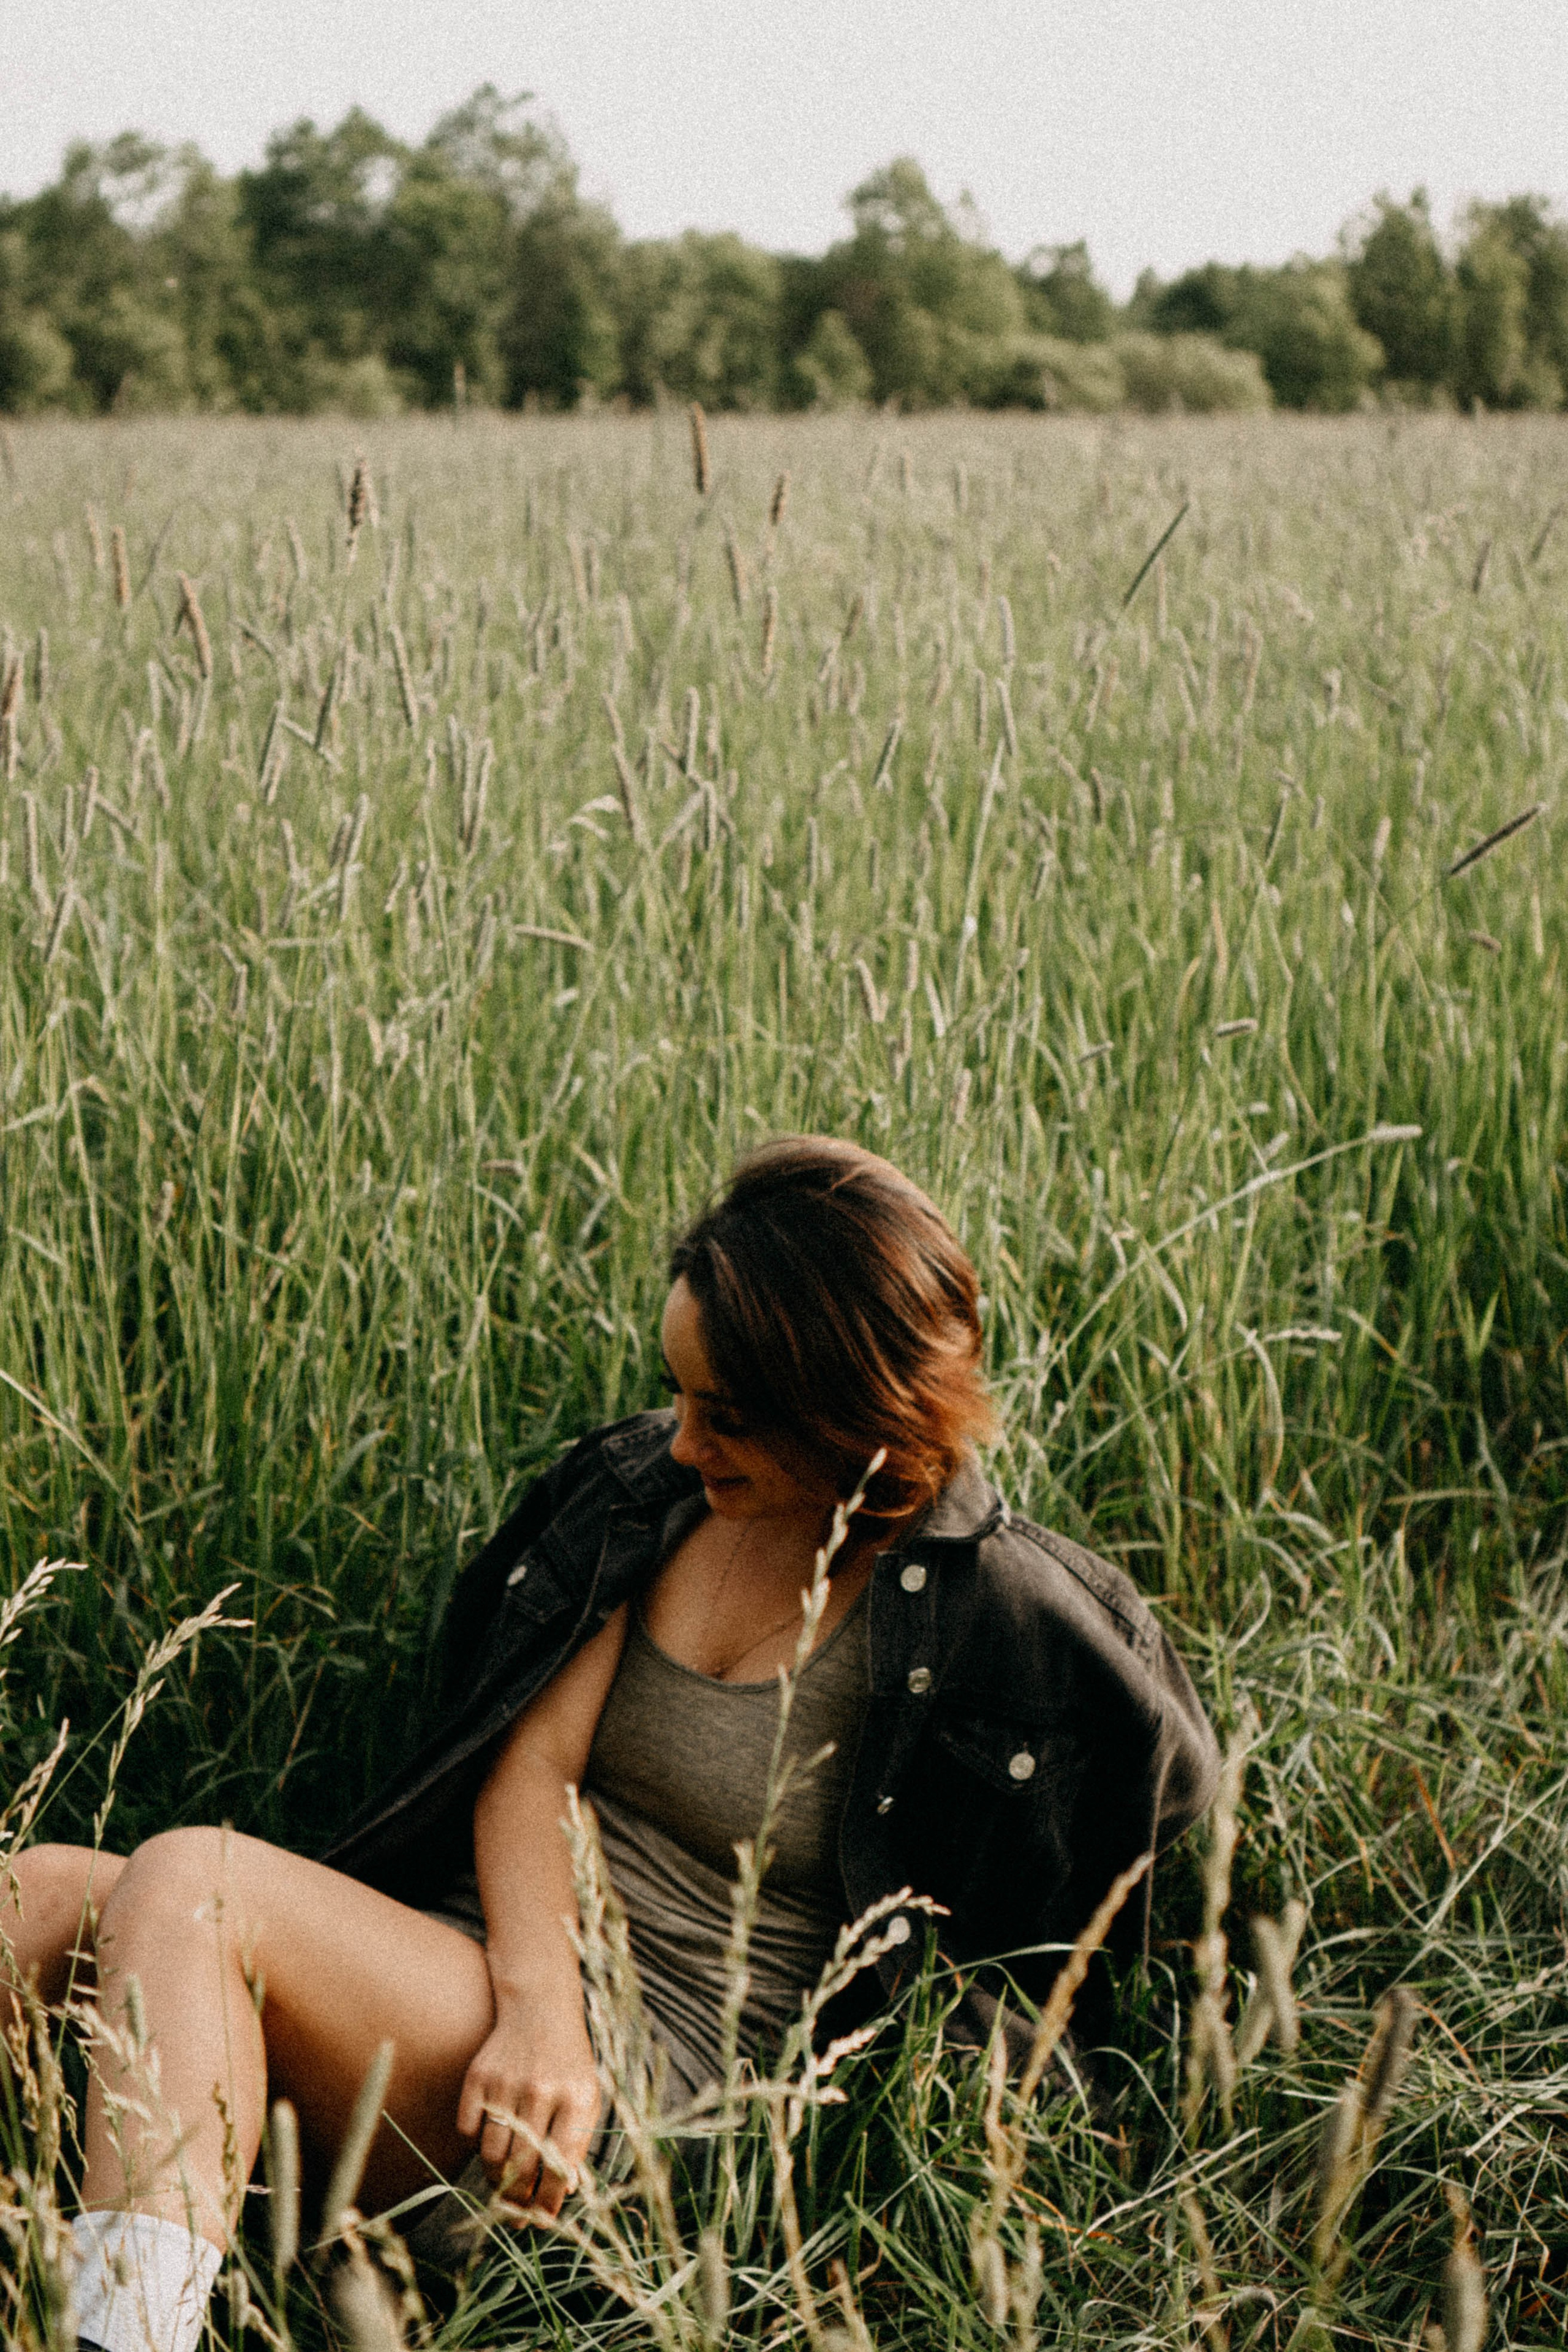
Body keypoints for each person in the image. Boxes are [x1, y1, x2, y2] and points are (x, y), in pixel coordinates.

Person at [1, 1137, 1218, 2352]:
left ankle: (122, 2338)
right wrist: (540, 2011)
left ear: (847, 1413)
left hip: (653, 2092)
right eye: (679, 1395)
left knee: (197, 1885)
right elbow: (533, 1768)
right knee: (44, 1894)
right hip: (505, 1992)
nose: (683, 1440)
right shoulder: (654, 1497)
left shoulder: (1004, 1621)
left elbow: (1131, 1877)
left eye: (726, 1416)